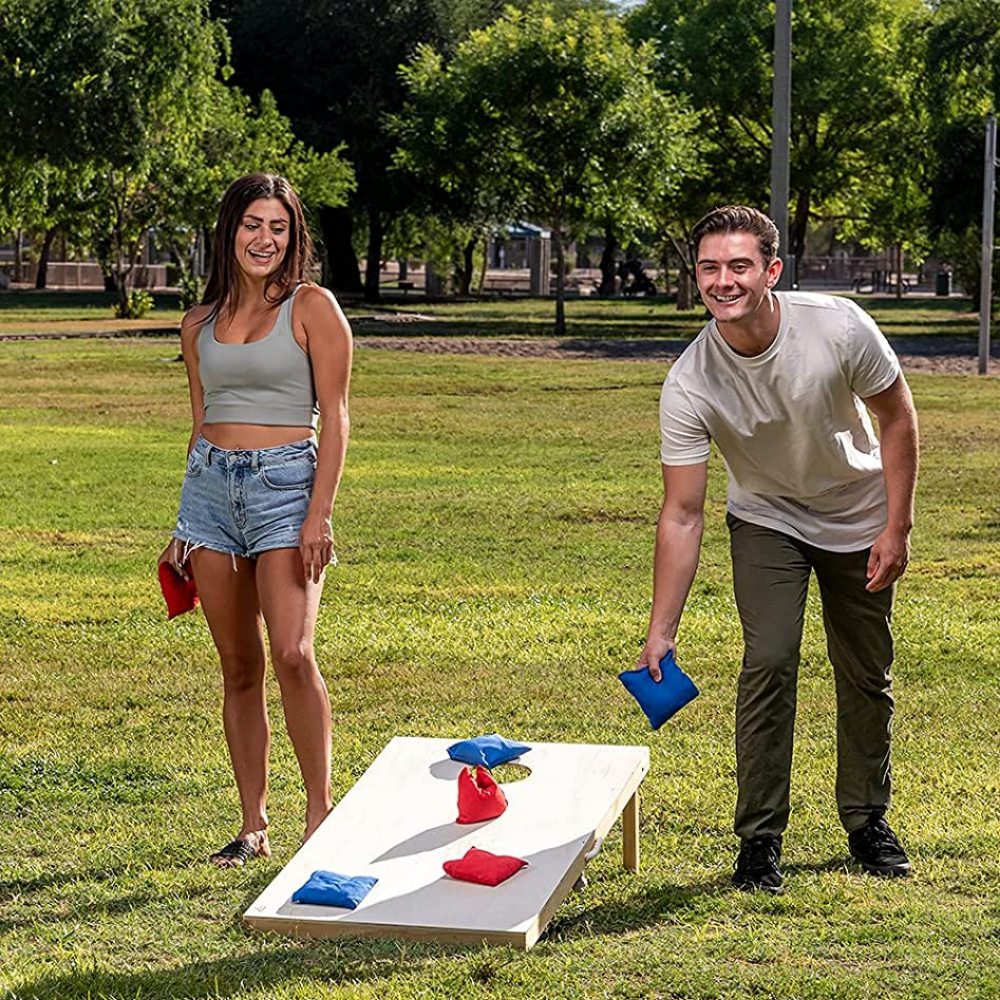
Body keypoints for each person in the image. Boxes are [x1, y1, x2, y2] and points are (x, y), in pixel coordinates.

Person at [638, 205, 919, 894]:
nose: (723, 281)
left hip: (858, 516)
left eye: (738, 266)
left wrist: (898, 528)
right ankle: (760, 839)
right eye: (709, 267)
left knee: (864, 671)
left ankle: (866, 821)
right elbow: (681, 513)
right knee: (767, 660)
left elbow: (896, 417)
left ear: (772, 270)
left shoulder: (838, 326)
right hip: (767, 519)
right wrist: (660, 629)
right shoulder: (690, 381)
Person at [159, 173, 352, 867]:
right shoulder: (197, 322)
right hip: (210, 494)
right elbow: (199, 421)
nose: (263, 239)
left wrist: (319, 514)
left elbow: (336, 418)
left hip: (287, 490)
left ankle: (320, 815)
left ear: (293, 236)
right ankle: (252, 825)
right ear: (228, 232)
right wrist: (185, 518)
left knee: (294, 653)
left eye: (277, 227)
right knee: (238, 665)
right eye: (251, 225)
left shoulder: (311, 306)